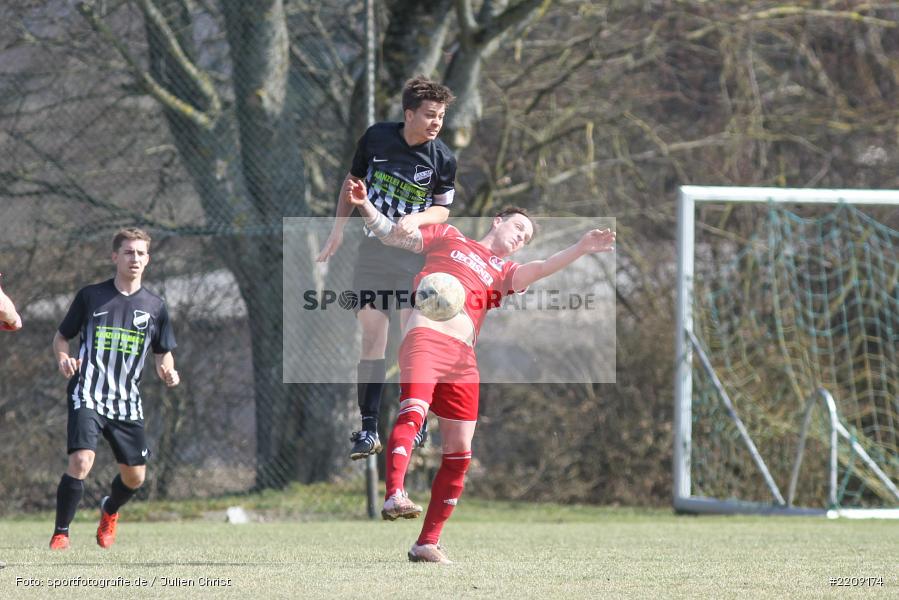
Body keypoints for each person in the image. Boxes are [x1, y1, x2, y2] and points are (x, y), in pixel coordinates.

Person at [347, 182, 616, 564]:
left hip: (462, 360)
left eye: (525, 237)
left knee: (459, 452)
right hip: (425, 338)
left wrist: (581, 248)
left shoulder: (503, 272)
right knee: (414, 411)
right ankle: (394, 493)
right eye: (518, 228)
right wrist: (367, 209)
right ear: (497, 220)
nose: (520, 237)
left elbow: (538, 269)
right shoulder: (449, 237)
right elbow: (394, 236)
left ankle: (427, 543)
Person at [317, 76, 457, 460]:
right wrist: (337, 232)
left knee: (411, 338)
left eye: (441, 116)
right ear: (408, 113)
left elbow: (443, 208)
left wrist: (419, 219)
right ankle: (367, 429)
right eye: (429, 115)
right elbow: (353, 182)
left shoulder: (442, 157)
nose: (435, 123)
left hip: (415, 256)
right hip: (374, 254)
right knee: (372, 334)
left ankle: (417, 421)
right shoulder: (377, 138)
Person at [49, 228, 179, 550]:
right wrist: (64, 359)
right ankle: (61, 533)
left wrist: (169, 369)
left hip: (126, 402)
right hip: (88, 392)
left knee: (135, 478)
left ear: (147, 259)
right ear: (114, 256)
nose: (134, 258)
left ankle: (109, 509)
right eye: (128, 252)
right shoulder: (91, 297)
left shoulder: (155, 306)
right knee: (81, 461)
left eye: (140, 253)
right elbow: (61, 337)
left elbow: (163, 351)